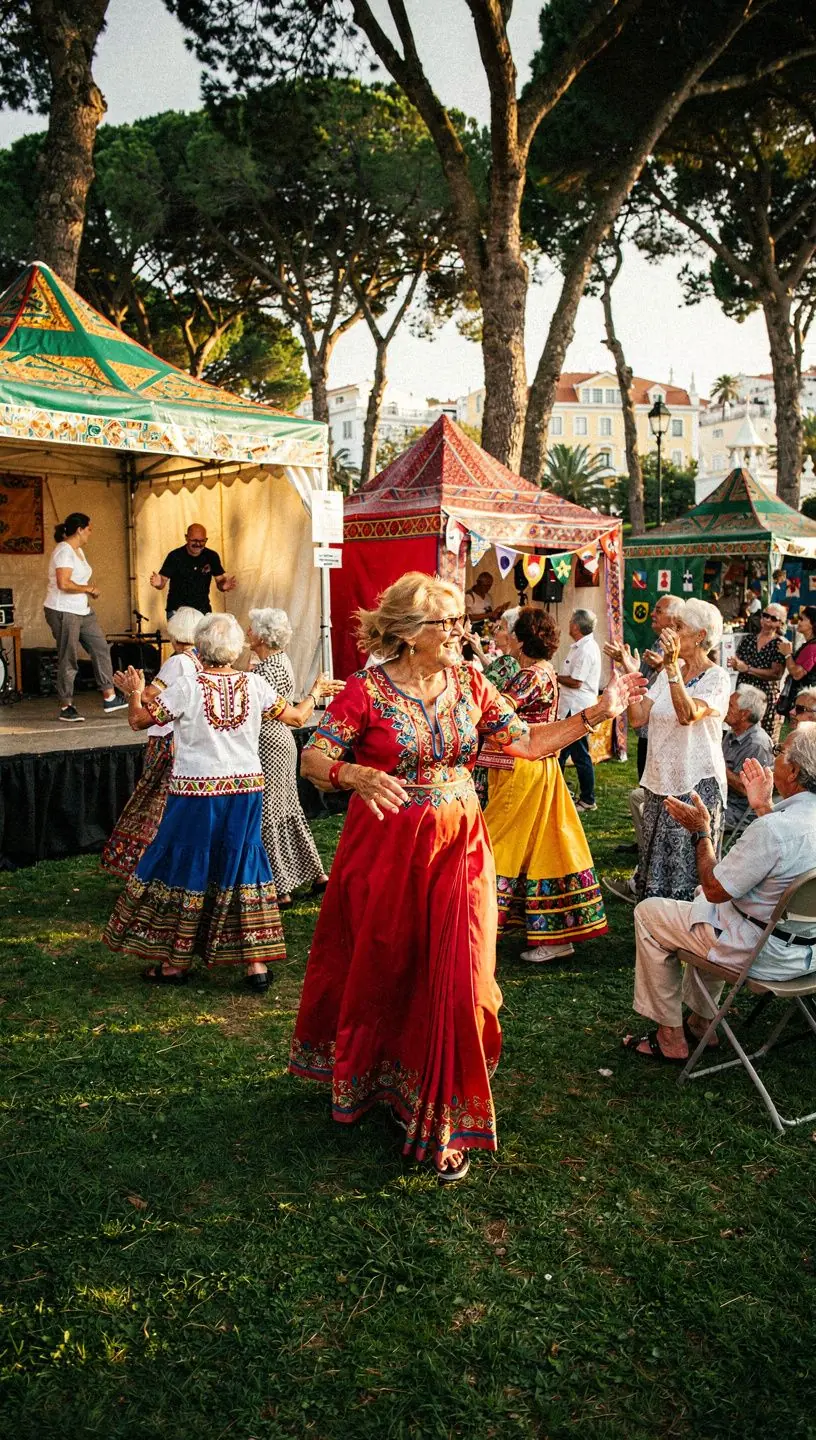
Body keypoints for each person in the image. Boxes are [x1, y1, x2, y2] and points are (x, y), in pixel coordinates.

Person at [289, 572, 645, 1182]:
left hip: (460, 845)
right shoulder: (366, 690)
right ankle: (382, 1080)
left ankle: (440, 1108)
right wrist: (354, 776)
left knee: (463, 973)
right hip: (385, 850)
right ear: (406, 634)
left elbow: (528, 742)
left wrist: (597, 714)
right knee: (389, 967)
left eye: (460, 621)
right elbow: (313, 757)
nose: (461, 632)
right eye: (446, 623)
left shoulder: (472, 684)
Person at [103, 614, 334, 991]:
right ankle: (255, 965)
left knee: (184, 865)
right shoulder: (254, 684)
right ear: (235, 648)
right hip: (244, 790)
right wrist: (316, 691)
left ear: (200, 647)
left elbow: (138, 721)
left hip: (195, 792)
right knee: (243, 863)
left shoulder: (188, 687)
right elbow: (296, 716)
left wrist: (134, 690)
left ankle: (175, 964)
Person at [623, 726, 816, 1063]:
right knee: (708, 908)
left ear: (795, 771)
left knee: (651, 913)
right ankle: (701, 1022)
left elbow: (715, 888)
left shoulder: (775, 830)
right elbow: (788, 855)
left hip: (761, 955)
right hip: (807, 953)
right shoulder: (784, 824)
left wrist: (701, 831)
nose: (773, 756)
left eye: (779, 750)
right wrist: (763, 807)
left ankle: (670, 1037)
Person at [482, 606, 607, 962]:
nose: (504, 639)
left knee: (496, 845)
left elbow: (497, 712)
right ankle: (552, 935)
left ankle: (479, 921)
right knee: (542, 849)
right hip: (536, 767)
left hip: (524, 769)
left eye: (508, 633)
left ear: (520, 640)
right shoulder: (543, 671)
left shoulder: (530, 676)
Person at [623, 598, 731, 902]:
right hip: (661, 782)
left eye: (679, 627)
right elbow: (638, 718)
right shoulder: (675, 669)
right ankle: (658, 931)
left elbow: (688, 715)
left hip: (695, 784)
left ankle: (687, 935)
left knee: (686, 868)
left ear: (700, 636)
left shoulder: (716, 677)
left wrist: (670, 669)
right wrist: (630, 678)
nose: (671, 632)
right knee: (655, 861)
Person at [246, 607, 343, 907]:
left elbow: (282, 714)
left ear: (262, 636)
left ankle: (281, 887)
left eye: (251, 629)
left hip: (268, 742)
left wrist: (312, 696)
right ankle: (315, 874)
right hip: (281, 743)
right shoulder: (279, 661)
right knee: (289, 809)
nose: (247, 632)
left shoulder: (264, 671)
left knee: (270, 813)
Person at [101, 607, 204, 877]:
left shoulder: (178, 661)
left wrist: (134, 690)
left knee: (153, 803)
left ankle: (146, 865)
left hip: (165, 738)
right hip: (183, 739)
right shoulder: (197, 660)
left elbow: (148, 696)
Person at [43, 511, 126, 723]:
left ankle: (109, 696)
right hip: (63, 610)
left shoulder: (78, 551)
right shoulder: (64, 551)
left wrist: (86, 592)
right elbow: (64, 583)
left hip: (82, 609)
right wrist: (88, 588)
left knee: (100, 647)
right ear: (79, 529)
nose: (91, 532)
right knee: (68, 656)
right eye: (89, 528)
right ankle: (66, 705)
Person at [557, 609, 602, 812]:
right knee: (561, 753)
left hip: (578, 707)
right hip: (571, 707)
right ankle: (557, 792)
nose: (569, 625)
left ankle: (588, 799)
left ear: (575, 626)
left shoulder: (586, 649)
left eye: (570, 622)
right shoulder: (581, 646)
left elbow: (576, 682)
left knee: (580, 755)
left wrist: (553, 675)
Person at [149, 524, 236, 616]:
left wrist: (223, 586)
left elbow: (220, 581)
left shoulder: (211, 556)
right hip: (177, 611)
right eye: (194, 540)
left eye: (202, 541)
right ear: (186, 538)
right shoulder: (174, 556)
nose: (198, 544)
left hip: (202, 610)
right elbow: (162, 581)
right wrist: (158, 583)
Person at [727, 602, 786, 735]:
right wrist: (735, 664)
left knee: (762, 734)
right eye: (765, 616)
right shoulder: (749, 639)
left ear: (780, 624)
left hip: (764, 696)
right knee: (739, 729)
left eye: (773, 618)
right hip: (743, 694)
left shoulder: (780, 644)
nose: (767, 620)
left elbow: (776, 673)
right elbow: (738, 662)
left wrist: (747, 668)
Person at [722, 685, 774, 831]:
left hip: (737, 811)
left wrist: (719, 767)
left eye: (730, 705)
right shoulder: (733, 732)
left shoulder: (757, 744)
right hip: (724, 798)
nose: (725, 707)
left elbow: (748, 790)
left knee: (688, 811)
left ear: (744, 714)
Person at [777, 605, 816, 711]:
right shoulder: (808, 644)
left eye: (801, 619)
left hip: (805, 704)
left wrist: (788, 654)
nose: (797, 622)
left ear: (813, 624)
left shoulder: (812, 648)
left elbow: (797, 674)